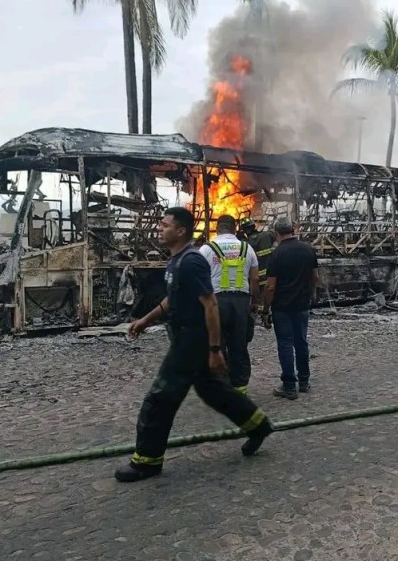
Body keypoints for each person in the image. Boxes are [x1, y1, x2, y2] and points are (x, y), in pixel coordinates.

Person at [115, 207, 273, 483]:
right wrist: (145, 320)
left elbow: (210, 303)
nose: (159, 229)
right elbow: (172, 300)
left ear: (181, 231)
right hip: (184, 336)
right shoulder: (177, 262)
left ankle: (147, 461)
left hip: (190, 340)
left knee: (160, 398)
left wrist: (214, 350)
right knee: (216, 392)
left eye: (165, 225)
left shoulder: (192, 261)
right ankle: (258, 425)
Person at [199, 214, 260, 394]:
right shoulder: (247, 248)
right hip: (240, 303)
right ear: (235, 229)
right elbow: (255, 279)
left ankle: (221, 386)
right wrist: (254, 302)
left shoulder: (206, 249)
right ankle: (240, 388)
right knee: (239, 345)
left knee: (217, 345)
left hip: (215, 302)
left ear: (217, 229)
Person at [262, 216, 319, 400]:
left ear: (276, 233)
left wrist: (265, 308)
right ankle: (304, 381)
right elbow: (315, 277)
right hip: (302, 305)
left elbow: (270, 286)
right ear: (293, 229)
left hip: (282, 308)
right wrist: (310, 296)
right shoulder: (308, 249)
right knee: (301, 341)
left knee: (285, 344)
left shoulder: (277, 254)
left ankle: (289, 386)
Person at [240, 218, 276, 291]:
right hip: (270, 279)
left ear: (244, 231)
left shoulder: (245, 244)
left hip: (257, 281)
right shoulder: (267, 235)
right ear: (254, 226)